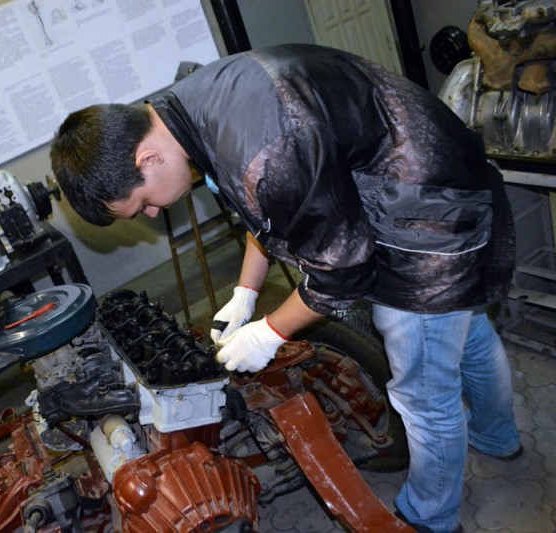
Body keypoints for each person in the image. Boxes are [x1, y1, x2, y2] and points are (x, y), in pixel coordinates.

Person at [49, 44, 521, 533]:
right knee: (467, 330)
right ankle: (497, 435)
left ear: (147, 158)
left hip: (427, 213)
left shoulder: (264, 146)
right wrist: (246, 292)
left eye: (144, 203)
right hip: (424, 166)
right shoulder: (190, 105)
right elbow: (270, 210)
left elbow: (341, 273)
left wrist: (269, 332)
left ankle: (432, 518)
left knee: (423, 391)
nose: (153, 212)